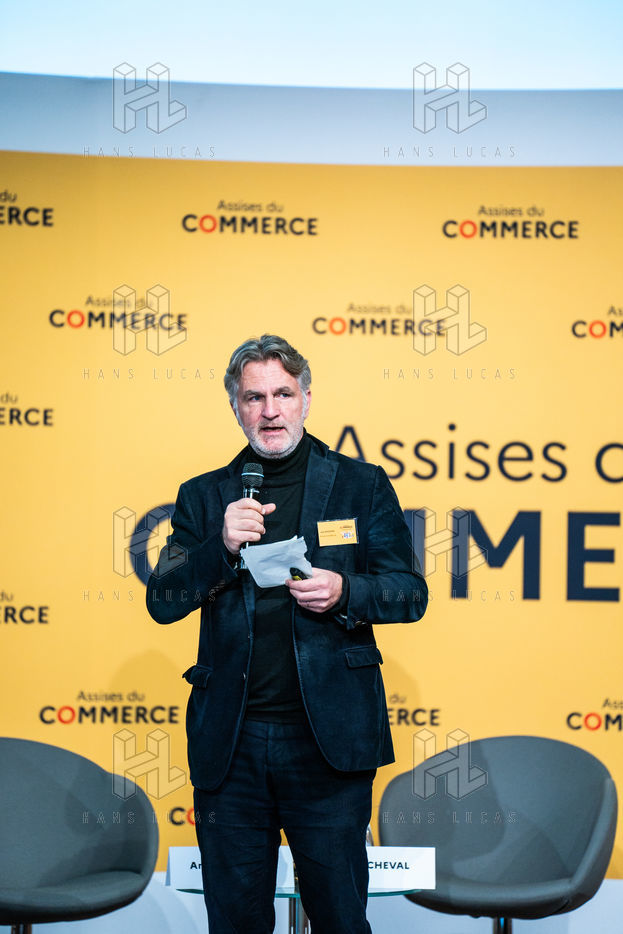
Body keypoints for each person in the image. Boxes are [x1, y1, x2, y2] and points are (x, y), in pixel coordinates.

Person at [146, 334, 427, 933]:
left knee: (339, 917)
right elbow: (163, 603)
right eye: (254, 398)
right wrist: (220, 547)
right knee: (235, 920)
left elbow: (409, 593)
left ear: (306, 399)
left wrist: (345, 590)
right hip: (233, 744)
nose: (270, 411)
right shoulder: (205, 496)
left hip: (328, 741)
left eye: (283, 394)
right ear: (236, 407)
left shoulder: (361, 484)